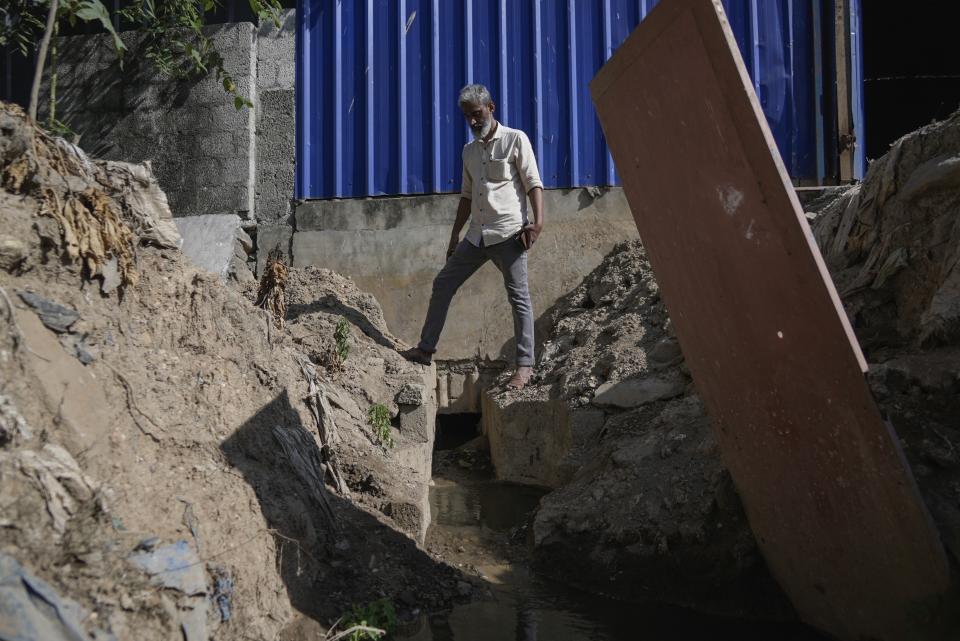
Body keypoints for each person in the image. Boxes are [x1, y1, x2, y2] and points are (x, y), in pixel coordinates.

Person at [401, 84, 544, 390]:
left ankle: (525, 367)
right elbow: (467, 197)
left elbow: (533, 183)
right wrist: (454, 237)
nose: (473, 122)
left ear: (491, 107)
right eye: (468, 117)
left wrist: (538, 222)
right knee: (443, 283)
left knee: (519, 298)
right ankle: (426, 350)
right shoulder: (469, 151)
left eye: (477, 114)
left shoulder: (515, 140)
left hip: (509, 234)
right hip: (477, 236)